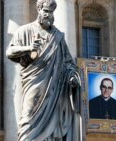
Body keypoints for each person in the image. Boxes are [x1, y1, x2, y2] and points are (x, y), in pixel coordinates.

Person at [6, 0, 81, 140]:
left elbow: (68, 62)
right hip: (34, 84)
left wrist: (72, 76)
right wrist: (28, 48)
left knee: (52, 130)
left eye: (51, 12)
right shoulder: (25, 30)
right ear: (38, 10)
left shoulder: (58, 36)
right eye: (46, 11)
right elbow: (10, 52)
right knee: (27, 121)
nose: (48, 15)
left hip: (54, 89)